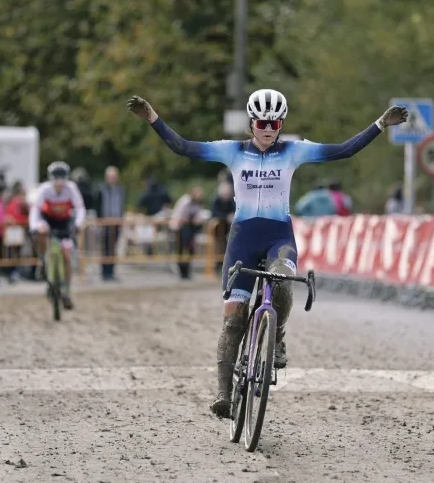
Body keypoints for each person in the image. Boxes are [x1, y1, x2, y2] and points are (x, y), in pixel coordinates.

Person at [127, 89, 407, 418]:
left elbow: (344, 150)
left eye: (275, 123)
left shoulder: (292, 151)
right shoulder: (232, 151)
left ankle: (278, 336)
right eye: (263, 123)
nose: (269, 129)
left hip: (279, 238)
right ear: (252, 123)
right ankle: (223, 394)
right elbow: (183, 147)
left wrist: (380, 124)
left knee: (283, 280)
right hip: (242, 240)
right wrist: (151, 117)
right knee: (233, 321)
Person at [29, 162, 87, 310]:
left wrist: (78, 224)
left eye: (62, 179)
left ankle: (66, 291)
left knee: (67, 256)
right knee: (41, 233)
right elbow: (35, 210)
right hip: (47, 220)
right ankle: (42, 261)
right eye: (56, 179)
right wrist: (34, 226)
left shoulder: (71, 188)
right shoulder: (44, 189)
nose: (59, 183)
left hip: (64, 223)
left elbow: (80, 208)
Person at [95, 166, 126, 281]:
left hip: (116, 222)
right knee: (105, 248)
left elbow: (121, 205)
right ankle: (105, 272)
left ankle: (111, 271)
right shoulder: (101, 189)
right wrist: (100, 220)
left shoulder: (120, 190)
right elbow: (97, 206)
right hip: (105, 223)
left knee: (113, 248)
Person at [169, 186, 206, 280]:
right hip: (180, 229)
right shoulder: (185, 201)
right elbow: (179, 216)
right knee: (181, 250)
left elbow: (199, 215)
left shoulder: (198, 203)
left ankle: (187, 271)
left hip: (190, 229)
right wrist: (192, 220)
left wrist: (197, 219)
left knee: (190, 250)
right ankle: (182, 272)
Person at [210, 181, 236, 275]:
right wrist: (226, 217)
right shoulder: (215, 200)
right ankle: (218, 266)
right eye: (226, 193)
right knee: (219, 246)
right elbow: (214, 213)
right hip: (217, 229)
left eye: (229, 193)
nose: (227, 195)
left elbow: (235, 211)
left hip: (228, 228)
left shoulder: (231, 201)